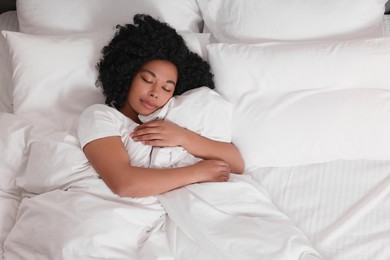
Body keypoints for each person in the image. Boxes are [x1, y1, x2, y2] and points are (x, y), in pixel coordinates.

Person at [77, 14, 244, 198]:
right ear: (127, 74)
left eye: (166, 88)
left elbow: (236, 164)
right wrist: (199, 172)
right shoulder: (100, 116)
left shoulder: (174, 117)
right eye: (147, 79)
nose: (155, 92)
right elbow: (123, 183)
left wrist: (183, 137)